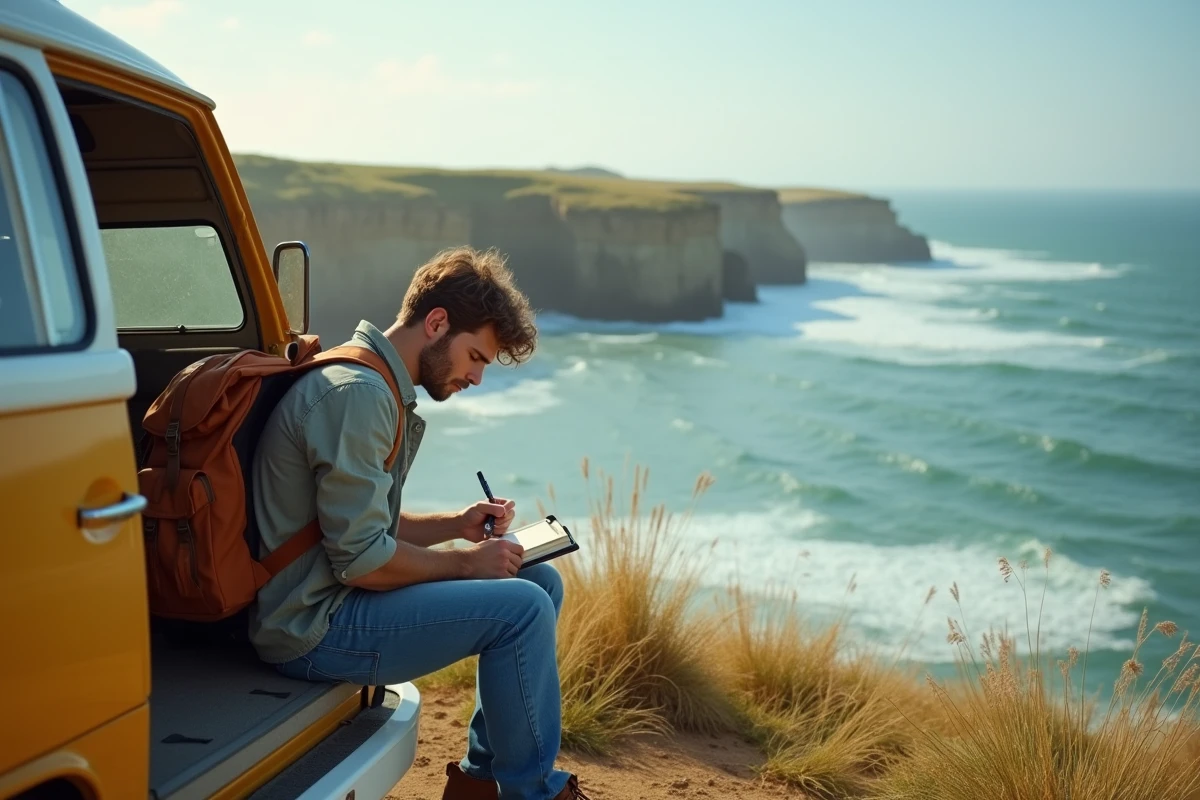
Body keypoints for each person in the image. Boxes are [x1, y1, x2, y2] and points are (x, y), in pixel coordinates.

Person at [249, 246, 589, 800]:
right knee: (522, 610)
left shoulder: (370, 379)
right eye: (475, 356)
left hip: (331, 595)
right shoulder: (359, 397)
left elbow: (359, 522)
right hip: (310, 625)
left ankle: (480, 784)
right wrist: (466, 561)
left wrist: (456, 524)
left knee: (538, 583)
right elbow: (360, 560)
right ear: (436, 323)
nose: (477, 377)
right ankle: (534, 793)